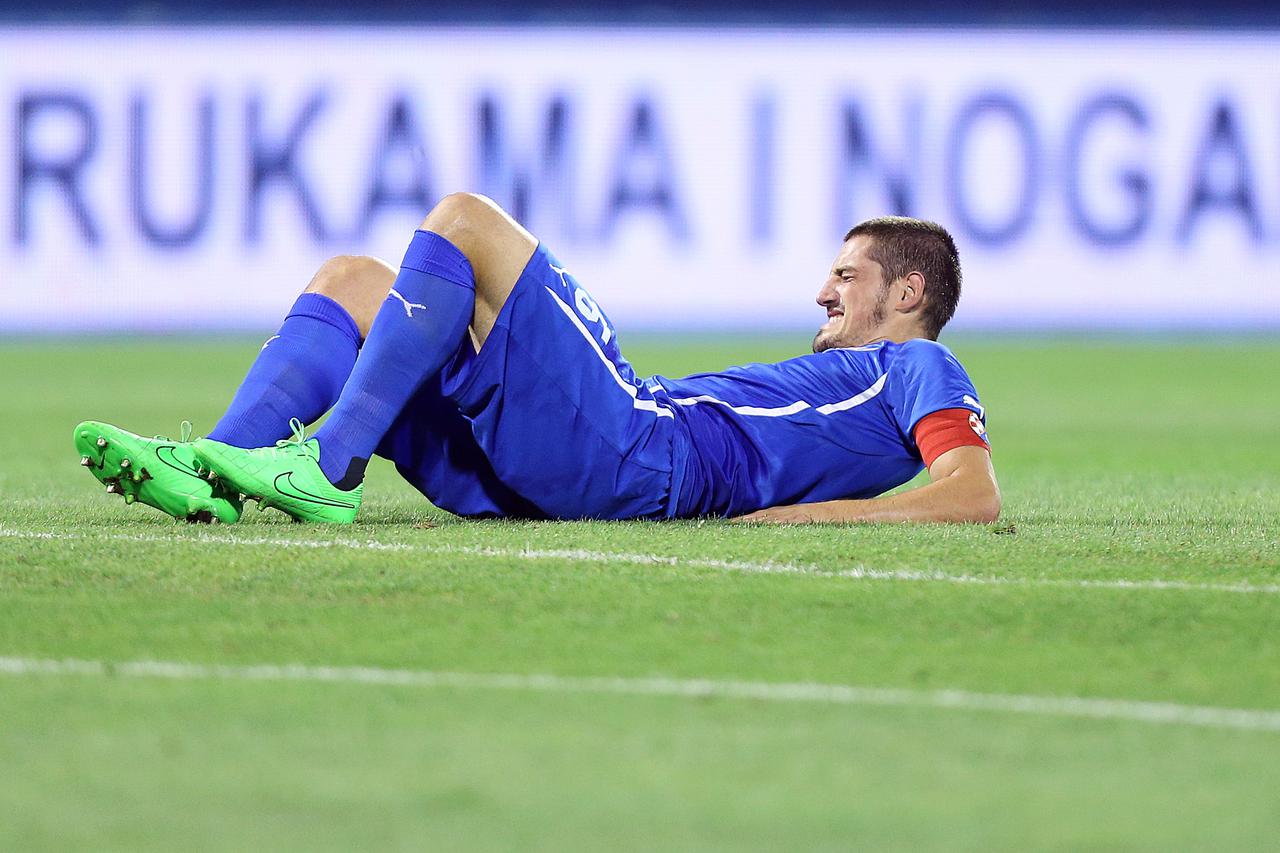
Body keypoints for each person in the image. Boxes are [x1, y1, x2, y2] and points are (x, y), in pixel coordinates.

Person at [73, 193, 1000, 526]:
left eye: (846, 275)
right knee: (353, 280)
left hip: (646, 451)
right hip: (567, 471)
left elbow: (971, 495)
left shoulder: (921, 366)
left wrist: (809, 520)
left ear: (908, 294)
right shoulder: (860, 377)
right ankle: (205, 470)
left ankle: (326, 465)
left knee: (465, 221)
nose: (823, 291)